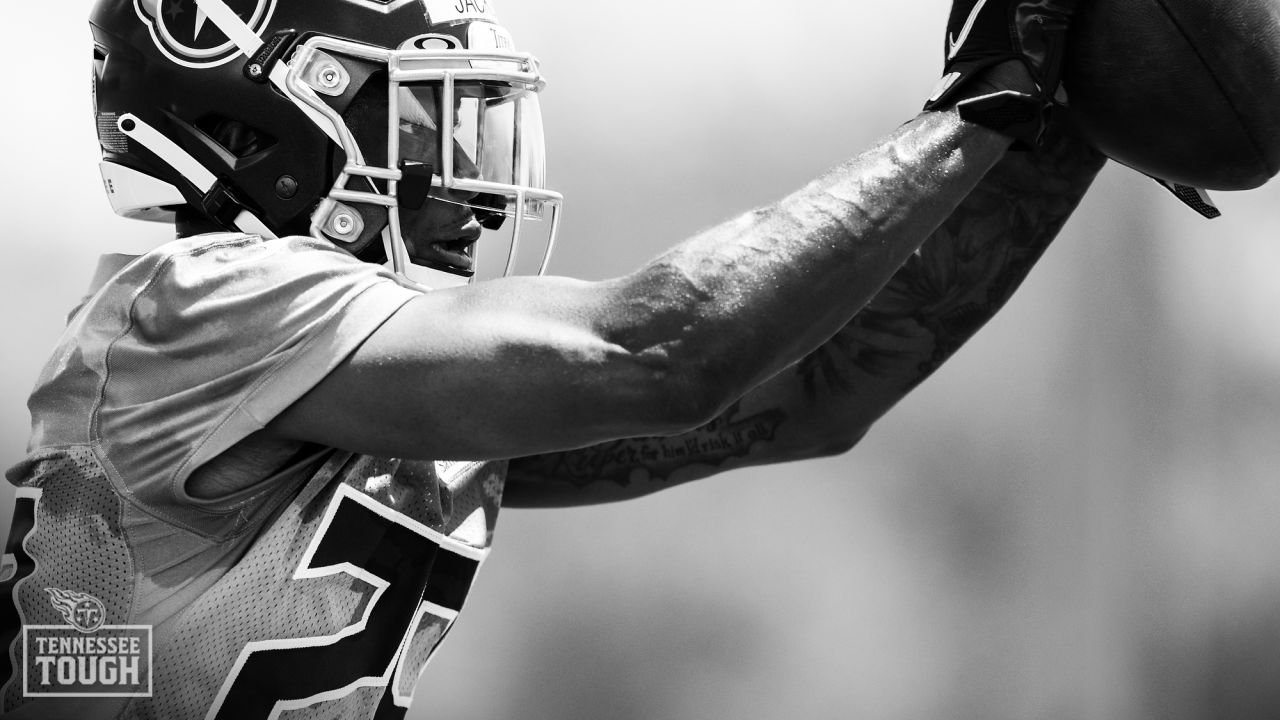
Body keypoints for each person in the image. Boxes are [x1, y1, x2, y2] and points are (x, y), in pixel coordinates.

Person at [0, 0, 1106, 717]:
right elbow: (664, 351)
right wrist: (979, 101)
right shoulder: (199, 306)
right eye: (426, 127)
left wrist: (1055, 133)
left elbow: (812, 390)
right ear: (252, 136)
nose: (473, 191)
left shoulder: (364, 390)